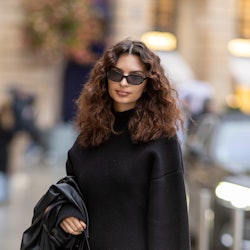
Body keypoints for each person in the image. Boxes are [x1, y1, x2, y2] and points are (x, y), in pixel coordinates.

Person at [59, 39, 190, 249]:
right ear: (105, 78)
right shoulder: (91, 135)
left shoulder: (161, 140)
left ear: (149, 83)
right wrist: (65, 211)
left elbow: (169, 222)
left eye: (135, 77)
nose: (123, 83)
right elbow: (69, 189)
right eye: (116, 74)